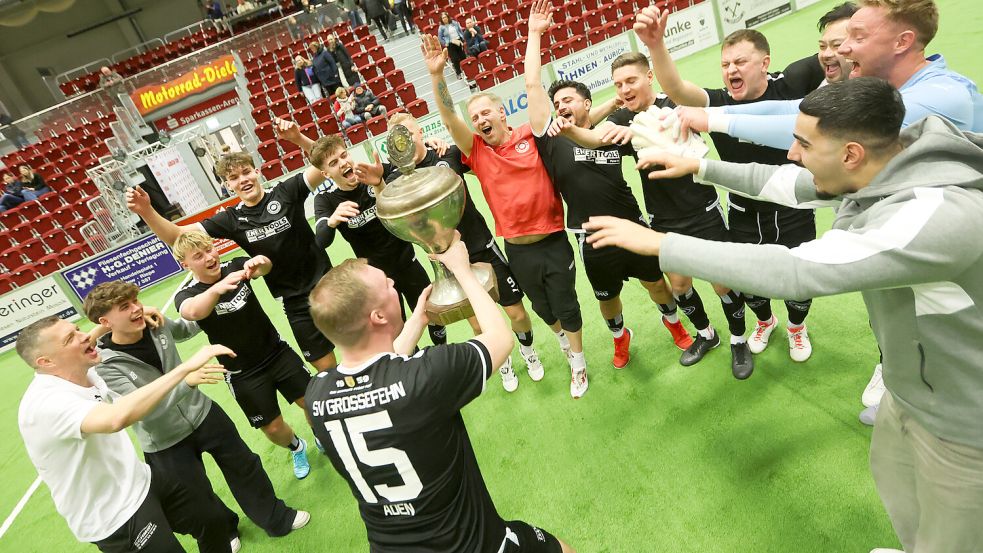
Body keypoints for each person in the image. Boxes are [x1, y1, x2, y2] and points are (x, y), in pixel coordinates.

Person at [584, 76, 983, 553]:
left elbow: (794, 270)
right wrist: (699, 166)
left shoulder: (932, 214)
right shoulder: (889, 162)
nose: (792, 153)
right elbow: (785, 183)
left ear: (850, 154)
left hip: (962, 423)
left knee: (952, 540)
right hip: (912, 390)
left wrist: (661, 245)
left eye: (803, 143)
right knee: (901, 490)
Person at [665, 0, 983, 423]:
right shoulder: (884, 94)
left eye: (856, 37)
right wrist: (706, 126)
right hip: (925, 247)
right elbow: (800, 119)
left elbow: (811, 132)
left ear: (903, 42)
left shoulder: (940, 97)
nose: (840, 51)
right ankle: (900, 376)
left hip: (943, 248)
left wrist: (658, 242)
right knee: (904, 311)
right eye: (834, 40)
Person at [306, 237, 577, 553]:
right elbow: (500, 340)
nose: (393, 282)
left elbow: (379, 373)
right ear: (378, 317)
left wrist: (418, 320)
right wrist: (462, 270)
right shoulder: (428, 375)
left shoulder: (318, 394)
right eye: (386, 284)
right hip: (472, 544)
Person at [639, 10, 823, 367]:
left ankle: (797, 327)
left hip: (793, 205)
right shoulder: (720, 101)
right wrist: (656, 44)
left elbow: (835, 57)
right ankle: (765, 320)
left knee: (801, 275)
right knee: (750, 279)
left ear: (764, 63)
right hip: (743, 210)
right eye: (725, 64)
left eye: (740, 61)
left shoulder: (791, 83)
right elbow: (677, 89)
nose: (731, 70)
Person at [523, 1, 691, 369]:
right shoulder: (551, 137)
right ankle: (620, 338)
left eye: (568, 100)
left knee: (657, 285)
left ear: (587, 103)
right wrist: (535, 33)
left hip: (632, 223)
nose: (560, 106)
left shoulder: (608, 130)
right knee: (607, 297)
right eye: (556, 103)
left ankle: (674, 324)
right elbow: (532, 84)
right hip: (593, 235)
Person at [424, 33, 589, 398]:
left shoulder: (532, 134)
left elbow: (533, 84)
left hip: (553, 241)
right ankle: (561, 338)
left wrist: (536, 35)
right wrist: (437, 77)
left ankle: (577, 363)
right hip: (517, 249)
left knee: (567, 304)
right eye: (475, 116)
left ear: (502, 113)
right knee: (544, 310)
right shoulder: (477, 152)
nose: (480, 119)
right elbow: (450, 120)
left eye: (485, 112)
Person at [84, 281, 310, 542]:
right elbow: (141, 410)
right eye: (125, 307)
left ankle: (276, 517)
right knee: (197, 497)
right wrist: (186, 382)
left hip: (204, 413)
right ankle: (225, 532)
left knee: (244, 467)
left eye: (136, 301)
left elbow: (188, 327)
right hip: (163, 440)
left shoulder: (156, 324)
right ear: (105, 321)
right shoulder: (105, 365)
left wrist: (219, 300)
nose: (137, 309)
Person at [126, 118, 338, 373]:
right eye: (234, 178)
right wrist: (147, 211)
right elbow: (177, 236)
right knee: (327, 371)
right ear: (228, 185)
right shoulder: (231, 219)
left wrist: (297, 139)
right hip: (295, 303)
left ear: (256, 171)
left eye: (247, 172)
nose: (243, 180)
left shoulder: (286, 192)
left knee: (365, 349)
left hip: (330, 285)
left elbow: (328, 163)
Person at [17, 316, 237, 552]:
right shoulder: (46, 403)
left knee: (211, 518)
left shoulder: (83, 369)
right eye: (71, 338)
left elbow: (86, 340)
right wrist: (184, 369)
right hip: (113, 515)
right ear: (46, 362)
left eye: (78, 329)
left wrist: (120, 318)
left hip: (140, 479)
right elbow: (115, 419)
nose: (85, 337)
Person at [172, 231, 318, 480]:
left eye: (210, 249)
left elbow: (265, 268)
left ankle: (321, 436)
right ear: (185, 264)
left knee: (312, 403)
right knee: (271, 428)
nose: (210, 257)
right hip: (242, 373)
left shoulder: (235, 265)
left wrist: (259, 261)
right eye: (199, 255)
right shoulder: (187, 294)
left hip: (277, 353)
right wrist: (216, 289)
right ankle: (296, 447)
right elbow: (192, 312)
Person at [306, 133, 448, 346]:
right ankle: (411, 366)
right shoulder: (326, 200)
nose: (343, 163)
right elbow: (322, 240)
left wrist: (431, 141)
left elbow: (413, 160)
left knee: (433, 315)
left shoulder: (374, 173)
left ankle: (441, 352)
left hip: (407, 263)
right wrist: (332, 221)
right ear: (326, 174)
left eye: (344, 155)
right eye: (334, 163)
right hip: (377, 279)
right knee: (396, 329)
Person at [437, 12, 467, 79]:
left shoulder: (454, 23)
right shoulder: (441, 27)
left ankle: (466, 71)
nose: (444, 19)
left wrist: (462, 38)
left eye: (445, 17)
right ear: (441, 19)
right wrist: (445, 43)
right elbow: (440, 38)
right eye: (443, 18)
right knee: (455, 59)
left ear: (448, 17)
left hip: (458, 41)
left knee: (463, 56)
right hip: (450, 43)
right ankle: (459, 73)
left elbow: (459, 30)